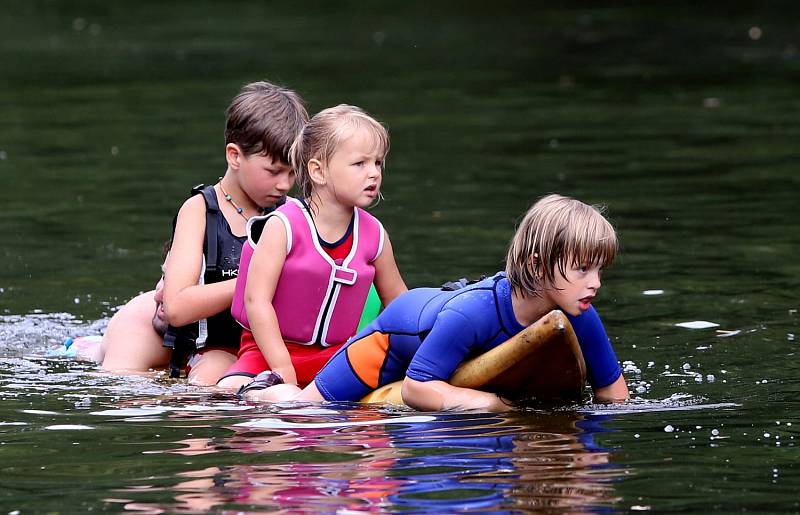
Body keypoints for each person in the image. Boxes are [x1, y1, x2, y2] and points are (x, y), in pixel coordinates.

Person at [241, 194, 630, 411]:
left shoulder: (580, 313)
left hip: (437, 342)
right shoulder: (473, 312)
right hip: (389, 343)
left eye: (599, 270)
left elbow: (614, 396)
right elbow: (416, 389)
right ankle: (259, 390)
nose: (594, 283)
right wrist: (494, 406)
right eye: (581, 270)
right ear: (536, 265)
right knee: (304, 411)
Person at [99, 81, 309, 385]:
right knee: (121, 390)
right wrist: (254, 280)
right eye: (274, 171)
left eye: (292, 172)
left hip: (240, 344)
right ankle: (93, 350)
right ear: (235, 156)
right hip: (163, 331)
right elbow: (176, 308)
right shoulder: (198, 211)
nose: (285, 184)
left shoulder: (291, 215)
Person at [217, 105, 407, 390]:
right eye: (360, 164)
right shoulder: (283, 227)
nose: (374, 174)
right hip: (266, 357)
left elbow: (399, 304)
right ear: (318, 171)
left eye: (378, 163)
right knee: (231, 391)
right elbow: (256, 301)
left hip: (338, 360)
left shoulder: (375, 236)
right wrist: (283, 370)